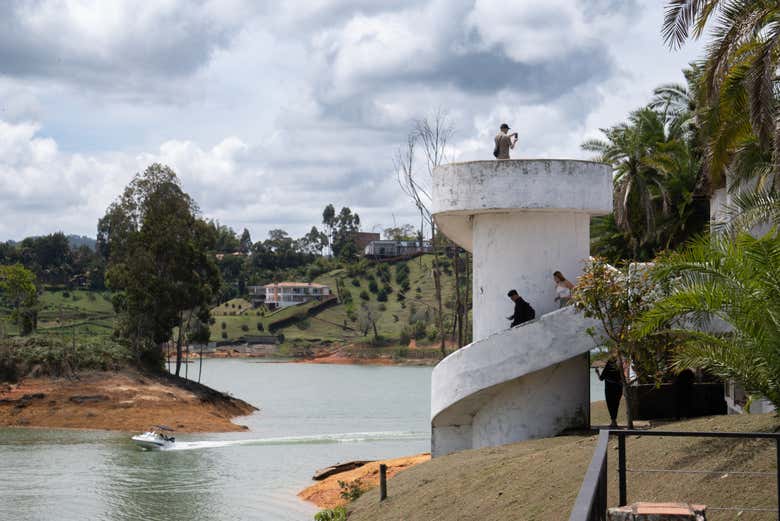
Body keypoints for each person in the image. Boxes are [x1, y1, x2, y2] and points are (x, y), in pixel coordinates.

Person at [595, 358, 622, 428]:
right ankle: (614, 421)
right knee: (616, 404)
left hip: (609, 390)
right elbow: (622, 379)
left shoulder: (607, 368)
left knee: (610, 405)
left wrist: (597, 372)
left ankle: (613, 421)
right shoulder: (619, 368)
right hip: (618, 389)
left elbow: (601, 378)